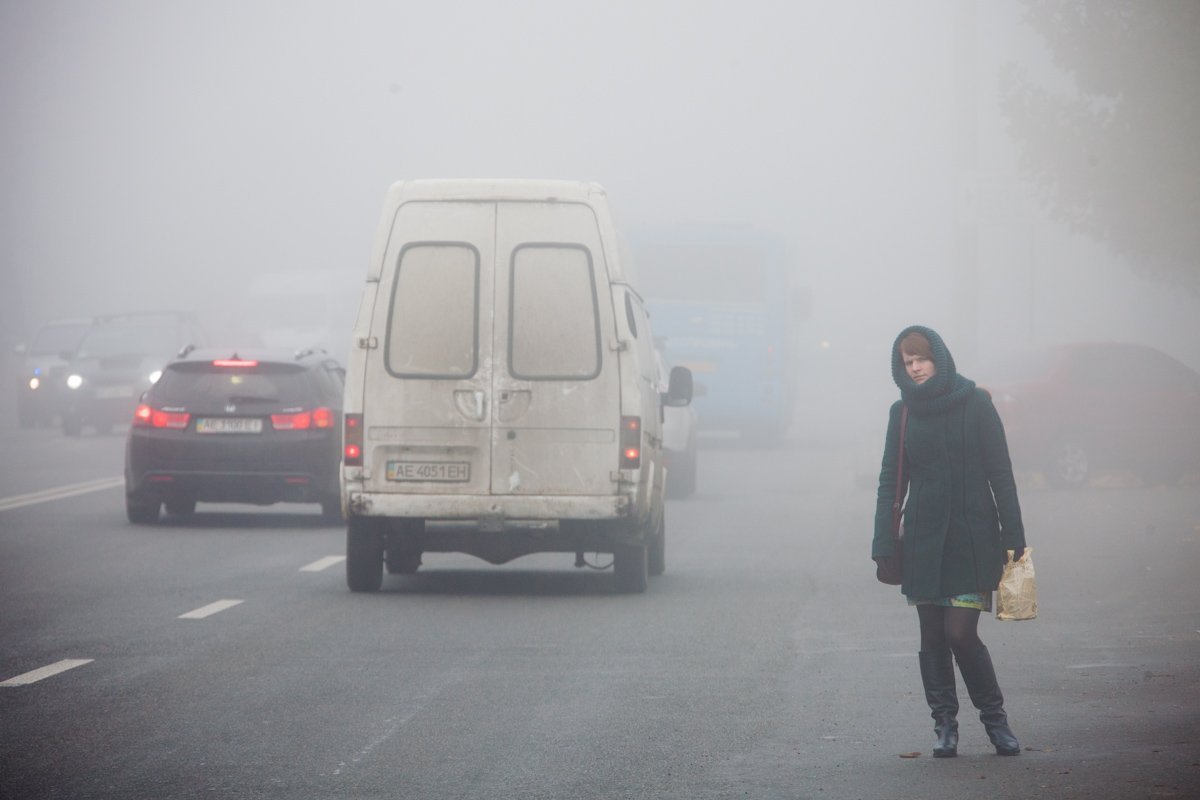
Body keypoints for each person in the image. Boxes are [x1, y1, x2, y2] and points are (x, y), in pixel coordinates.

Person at [873, 325, 1027, 758]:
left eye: (921, 358)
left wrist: (1013, 535)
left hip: (971, 536)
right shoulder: (902, 412)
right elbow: (890, 480)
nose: (915, 368)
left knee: (960, 633)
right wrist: (883, 540)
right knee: (932, 636)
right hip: (922, 539)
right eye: (907, 362)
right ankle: (944, 726)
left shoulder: (976, 403)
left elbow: (1000, 473)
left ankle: (995, 720)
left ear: (938, 359)